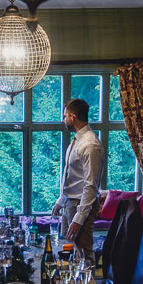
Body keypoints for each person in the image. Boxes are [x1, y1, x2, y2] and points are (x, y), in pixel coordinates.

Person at [51, 98, 104, 258]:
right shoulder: (77, 140)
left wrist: (79, 217)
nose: (63, 119)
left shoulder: (90, 144)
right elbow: (72, 175)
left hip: (80, 205)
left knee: (83, 253)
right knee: (67, 251)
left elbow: (90, 185)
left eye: (65, 116)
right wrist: (61, 200)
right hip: (69, 203)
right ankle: (69, 283)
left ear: (72, 117)